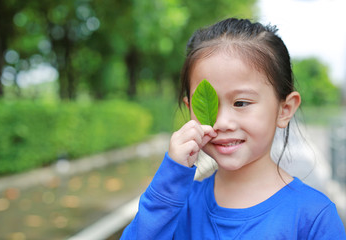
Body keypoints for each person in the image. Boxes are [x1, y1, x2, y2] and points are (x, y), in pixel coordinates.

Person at [120, 18, 346, 239]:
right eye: (207, 105)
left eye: (241, 103)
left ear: (284, 109)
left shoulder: (313, 217)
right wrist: (171, 177)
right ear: (189, 108)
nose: (222, 123)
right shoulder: (178, 206)